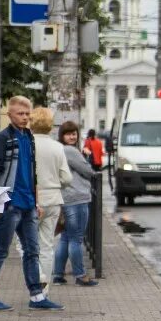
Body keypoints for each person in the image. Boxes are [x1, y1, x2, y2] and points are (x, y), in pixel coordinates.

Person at [0, 96, 63, 311]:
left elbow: (32, 173)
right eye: (20, 113)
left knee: (32, 251)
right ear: (10, 115)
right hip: (9, 204)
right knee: (0, 250)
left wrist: (36, 201)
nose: (25, 117)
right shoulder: (3, 138)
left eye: (27, 114)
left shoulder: (29, 137)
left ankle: (37, 296)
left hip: (28, 205)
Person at [29, 107, 72, 291]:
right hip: (54, 200)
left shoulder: (27, 144)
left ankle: (38, 276)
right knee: (47, 246)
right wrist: (56, 183)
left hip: (32, 200)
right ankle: (44, 291)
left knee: (24, 245)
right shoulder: (58, 147)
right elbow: (67, 178)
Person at [53, 121, 99, 287]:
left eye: (74, 133)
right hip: (77, 197)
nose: (72, 136)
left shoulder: (59, 150)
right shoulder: (70, 150)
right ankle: (80, 275)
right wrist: (87, 157)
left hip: (66, 197)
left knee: (65, 238)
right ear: (62, 136)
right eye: (68, 134)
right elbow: (88, 171)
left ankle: (58, 275)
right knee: (76, 239)